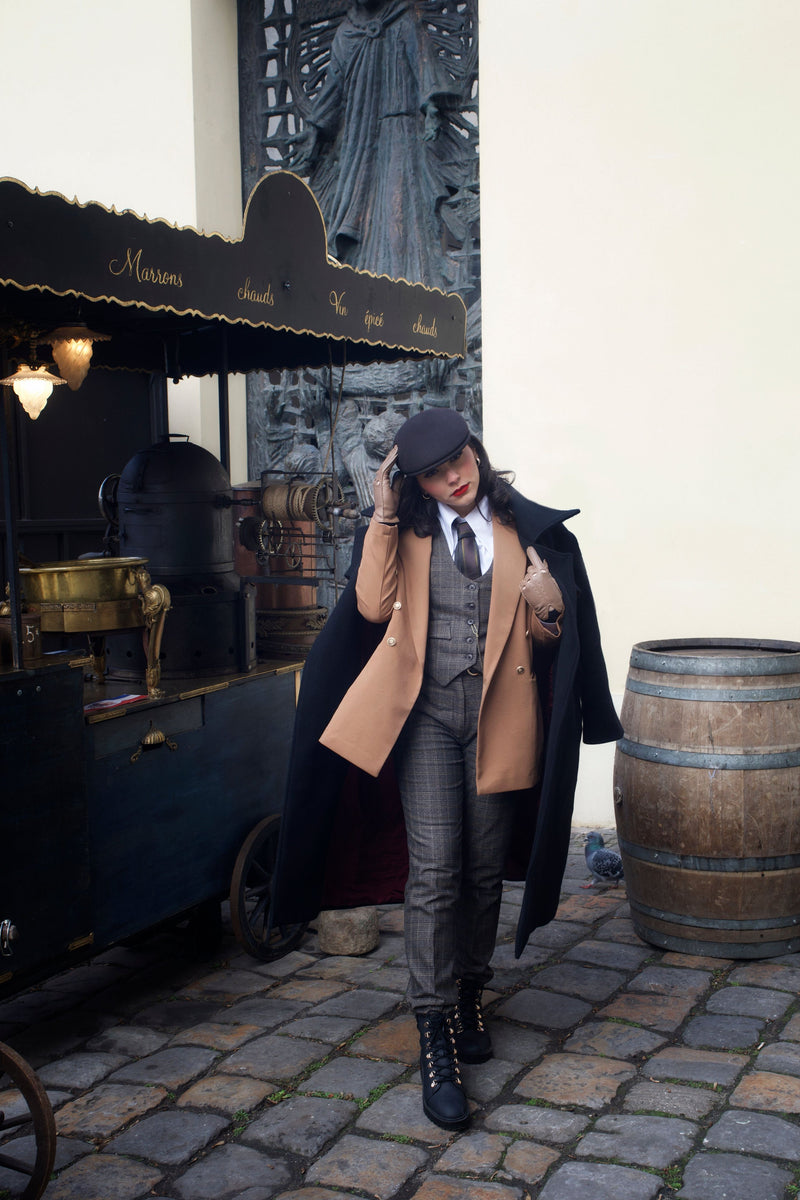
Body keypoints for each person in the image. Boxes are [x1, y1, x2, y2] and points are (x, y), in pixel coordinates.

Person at [270, 408, 622, 1131]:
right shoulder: (407, 530)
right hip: (424, 718)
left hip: (500, 717)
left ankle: (469, 991)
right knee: (434, 869)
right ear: (418, 483)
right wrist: (382, 512)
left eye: (459, 461)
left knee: (484, 869)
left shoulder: (529, 531)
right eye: (433, 472)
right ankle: (433, 1027)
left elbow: (551, 641)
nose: (453, 478)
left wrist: (548, 610)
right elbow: (370, 605)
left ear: (476, 454)